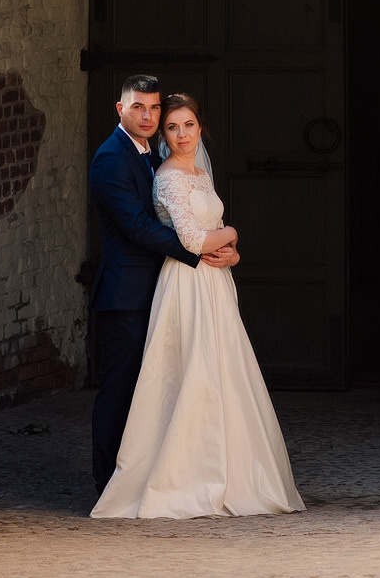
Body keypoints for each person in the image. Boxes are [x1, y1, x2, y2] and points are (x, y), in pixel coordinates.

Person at [92, 92, 305, 520]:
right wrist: (234, 233)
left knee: (222, 372)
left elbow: (210, 228)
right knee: (189, 374)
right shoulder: (166, 175)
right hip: (186, 282)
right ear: (163, 134)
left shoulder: (200, 173)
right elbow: (191, 239)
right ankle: (174, 477)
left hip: (214, 282)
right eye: (173, 127)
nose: (181, 134)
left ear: (201, 127)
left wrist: (232, 254)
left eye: (188, 125)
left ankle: (226, 468)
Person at [88, 75, 239, 496]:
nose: (148, 116)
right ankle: (109, 485)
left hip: (163, 287)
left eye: (154, 108)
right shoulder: (110, 159)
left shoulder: (154, 156)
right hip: (127, 293)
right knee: (121, 390)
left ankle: (154, 474)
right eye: (139, 107)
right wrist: (202, 249)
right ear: (121, 109)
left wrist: (225, 248)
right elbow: (138, 227)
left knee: (158, 388)